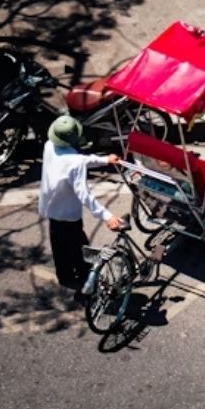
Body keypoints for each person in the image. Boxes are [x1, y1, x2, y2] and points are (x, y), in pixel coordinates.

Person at [37, 115, 121, 297]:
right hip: (69, 214)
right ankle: (84, 280)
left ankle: (65, 275)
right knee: (79, 248)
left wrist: (104, 160)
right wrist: (107, 216)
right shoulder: (75, 162)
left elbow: (80, 160)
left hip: (52, 209)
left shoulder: (49, 146)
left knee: (59, 246)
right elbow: (84, 194)